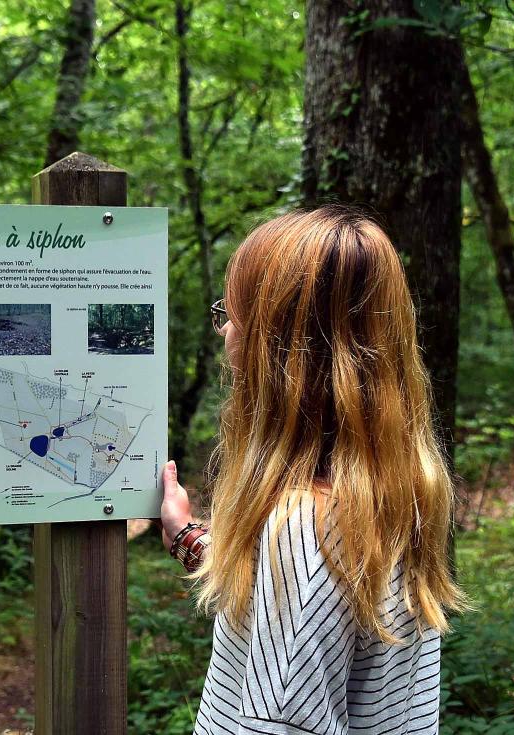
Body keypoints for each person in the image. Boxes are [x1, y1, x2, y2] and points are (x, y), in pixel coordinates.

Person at [160, 205, 475, 734]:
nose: (225, 333)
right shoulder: (392, 490)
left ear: (274, 346)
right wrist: (188, 536)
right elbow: (298, 594)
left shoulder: (304, 529)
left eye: (232, 313)